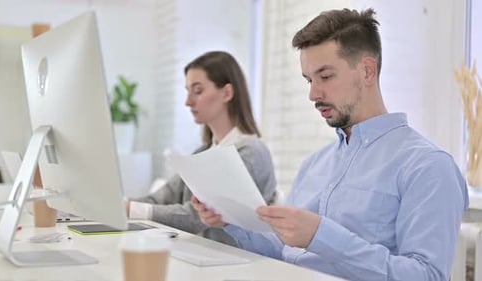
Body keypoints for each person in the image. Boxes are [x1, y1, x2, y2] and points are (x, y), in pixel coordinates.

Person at [193, 8, 468, 281]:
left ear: (367, 71)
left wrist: (322, 236)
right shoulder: (314, 164)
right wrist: (232, 222)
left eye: (325, 77)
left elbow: (427, 276)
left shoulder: (428, 166)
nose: (313, 93)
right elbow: (287, 251)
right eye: (309, 80)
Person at [127, 51, 277, 246]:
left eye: (197, 91)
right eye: (188, 92)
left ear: (227, 93)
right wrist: (119, 205)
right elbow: (159, 199)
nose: (188, 102)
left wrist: (130, 209)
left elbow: (196, 217)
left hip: (236, 266)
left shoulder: (252, 152)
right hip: (203, 260)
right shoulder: (202, 153)